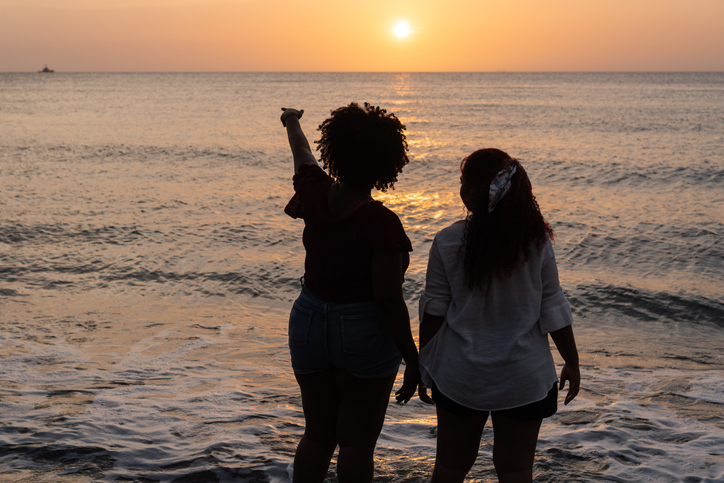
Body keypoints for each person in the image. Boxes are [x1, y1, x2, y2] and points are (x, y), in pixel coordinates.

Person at [418, 148, 580, 483]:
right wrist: (572, 361)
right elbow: (552, 305)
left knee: (450, 466)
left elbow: (434, 311)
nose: (459, 188)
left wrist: (423, 364)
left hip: (461, 374)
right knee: (516, 469)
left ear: (475, 192)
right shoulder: (535, 242)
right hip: (524, 376)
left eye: (463, 182)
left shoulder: (447, 241)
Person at [280, 103, 420, 483]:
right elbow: (389, 300)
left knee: (318, 435)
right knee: (356, 444)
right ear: (387, 163)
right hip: (361, 329)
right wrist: (413, 359)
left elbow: (302, 153)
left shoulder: (315, 191)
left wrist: (291, 119)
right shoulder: (381, 223)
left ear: (335, 152)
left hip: (307, 320)